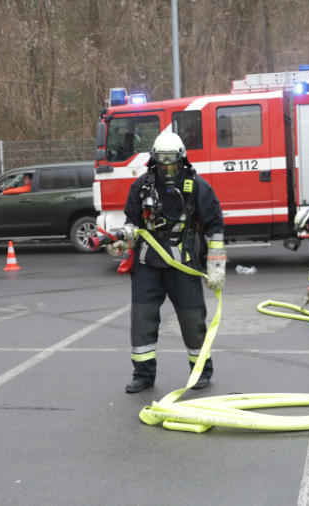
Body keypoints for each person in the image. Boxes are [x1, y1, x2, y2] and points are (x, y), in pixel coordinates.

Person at [107, 132, 226, 394]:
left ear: (181, 159)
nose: (168, 170)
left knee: (192, 318)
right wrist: (122, 241)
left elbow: (215, 225)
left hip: (183, 262)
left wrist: (216, 264)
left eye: (172, 164)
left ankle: (201, 371)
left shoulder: (197, 186)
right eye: (163, 165)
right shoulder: (141, 185)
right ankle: (143, 374)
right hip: (148, 262)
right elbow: (132, 223)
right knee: (142, 319)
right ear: (155, 161)